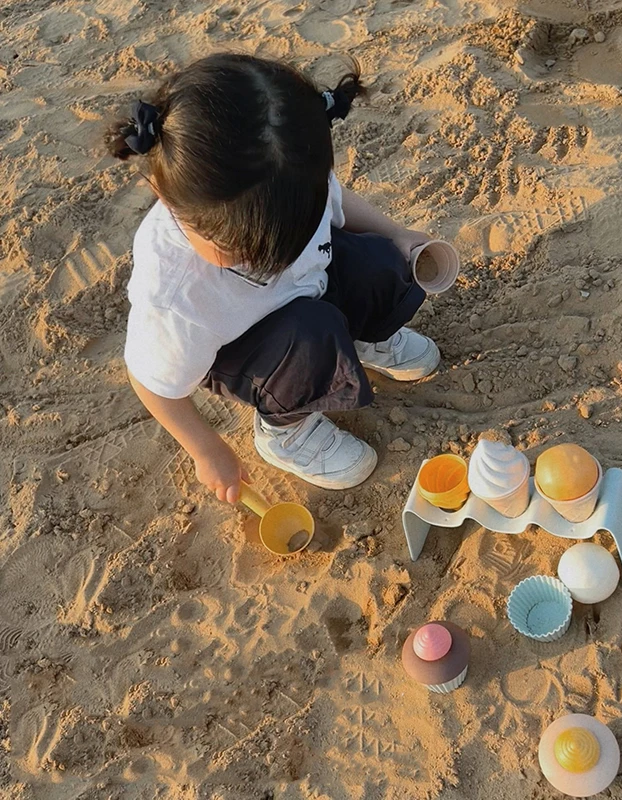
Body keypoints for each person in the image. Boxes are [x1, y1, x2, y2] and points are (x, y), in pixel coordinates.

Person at [106, 54, 440, 502]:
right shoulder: (176, 291)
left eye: (287, 237)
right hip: (249, 343)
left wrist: (397, 235)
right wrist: (206, 449)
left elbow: (340, 205)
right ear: (164, 195)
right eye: (244, 250)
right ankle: (285, 431)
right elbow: (151, 381)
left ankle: (361, 340)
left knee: (376, 259)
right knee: (311, 335)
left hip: (311, 284)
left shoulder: (289, 178)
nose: (272, 259)